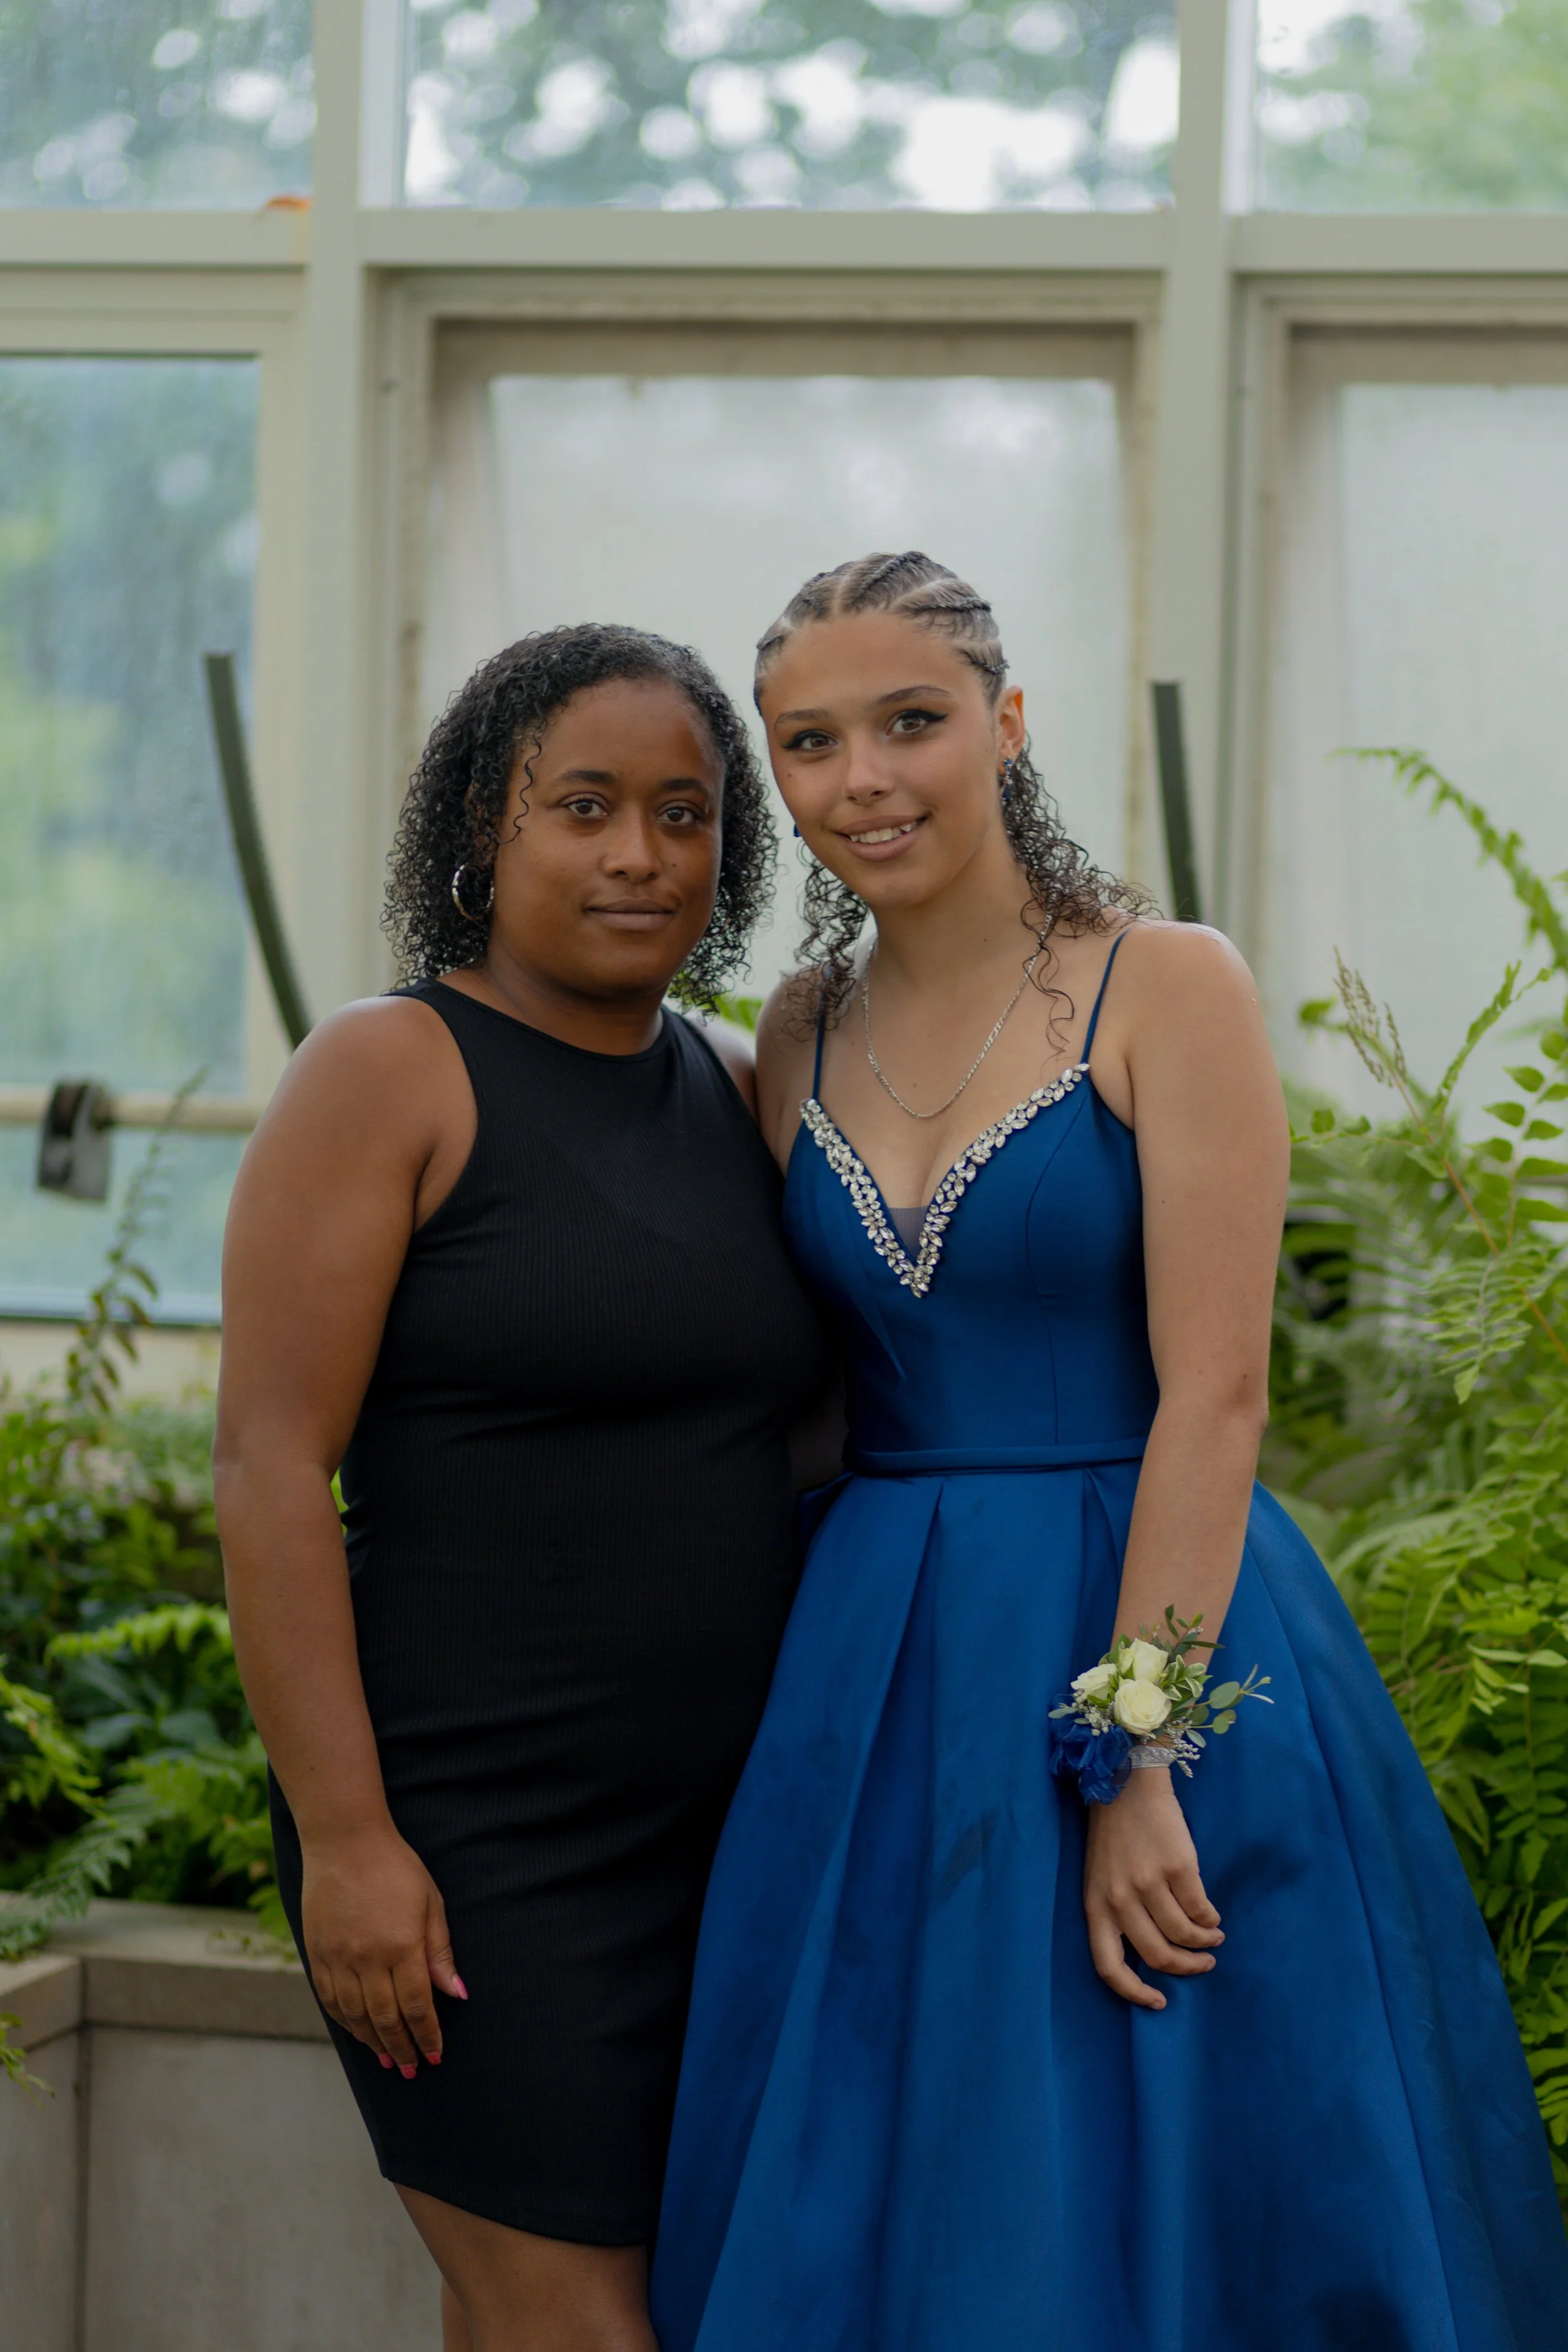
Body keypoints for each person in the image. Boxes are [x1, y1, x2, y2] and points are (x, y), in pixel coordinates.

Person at [650, 553, 1568, 2351]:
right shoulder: (792, 1030)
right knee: (883, 2153)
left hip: (1146, 1626)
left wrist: (1131, 1756)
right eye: (810, 742)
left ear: (1005, 724)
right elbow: (807, 1391)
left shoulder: (1167, 983)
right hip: (881, 1660)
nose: (864, 778)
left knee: (1156, 2158)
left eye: (910, 721)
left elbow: (1219, 1394)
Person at [215, 625, 828, 2352]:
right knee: (581, 2321)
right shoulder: (386, 1071)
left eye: (685, 812)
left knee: (535, 2312)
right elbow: (268, 1471)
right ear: (487, 825)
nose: (639, 853)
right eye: (584, 807)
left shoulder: (721, 1082)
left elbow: (793, 1432)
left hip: (708, 1838)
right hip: (471, 1838)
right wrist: (347, 1841)